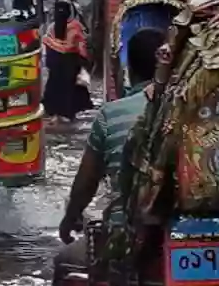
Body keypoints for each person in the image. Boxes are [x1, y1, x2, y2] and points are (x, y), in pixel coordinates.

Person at [59, 26, 170, 248]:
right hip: (181, 231)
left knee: (67, 260)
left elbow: (86, 182)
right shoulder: (193, 108)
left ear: (129, 70)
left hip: (125, 236)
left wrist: (70, 219)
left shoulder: (110, 114)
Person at [40, 0, 93, 120]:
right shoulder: (66, 26)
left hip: (66, 65)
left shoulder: (66, 27)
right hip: (63, 66)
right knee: (62, 91)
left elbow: (61, 47)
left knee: (63, 91)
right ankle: (63, 116)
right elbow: (78, 47)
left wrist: (50, 44)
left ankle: (62, 116)